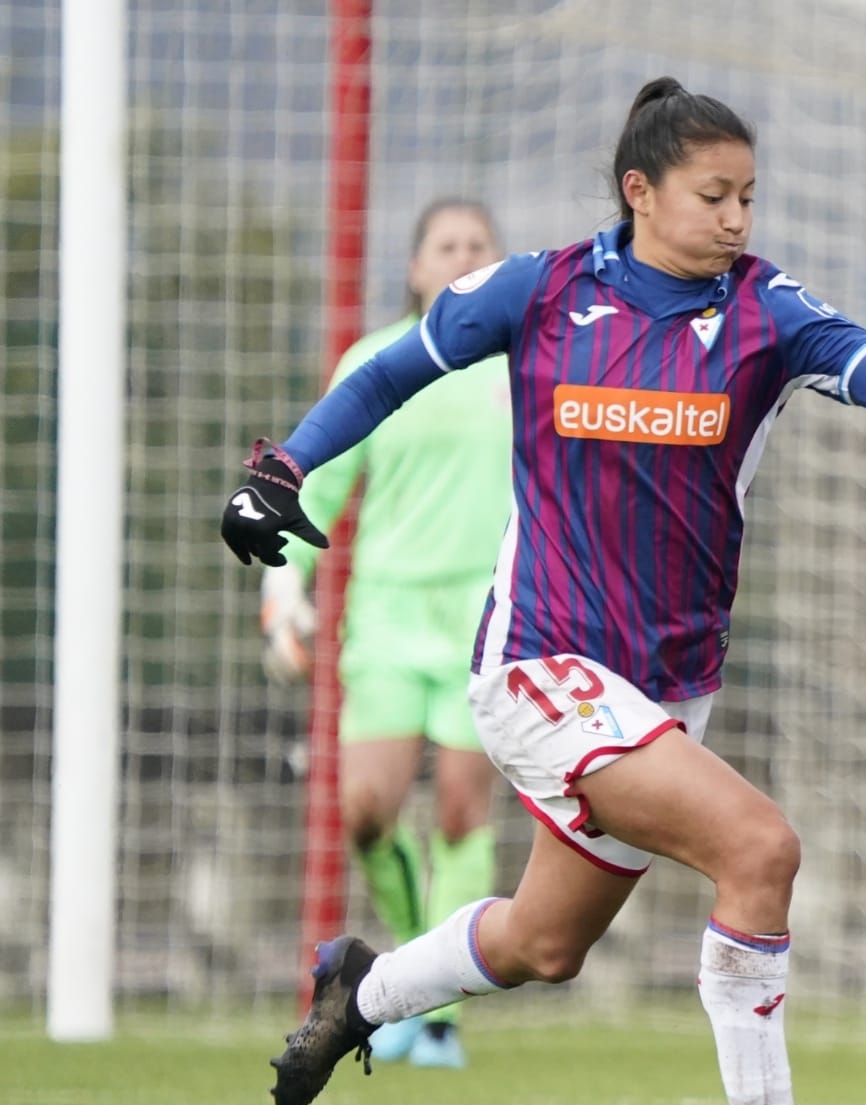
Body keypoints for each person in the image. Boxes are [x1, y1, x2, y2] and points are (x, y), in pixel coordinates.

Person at [220, 77, 866, 1105]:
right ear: (640, 190)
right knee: (761, 849)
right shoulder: (537, 290)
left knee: (542, 942)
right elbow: (388, 372)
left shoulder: (768, 312)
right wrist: (284, 469)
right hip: (539, 662)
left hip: (665, 687)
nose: (736, 218)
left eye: (748, 196)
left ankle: (361, 991)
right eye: (713, 194)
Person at [259, 198, 512, 1071]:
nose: (464, 254)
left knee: (459, 810)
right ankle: (410, 968)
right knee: (366, 808)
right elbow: (313, 493)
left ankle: (437, 1013)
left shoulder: (529, 364)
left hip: (492, 622)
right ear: (415, 268)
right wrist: (283, 590)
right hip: (389, 620)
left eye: (480, 244)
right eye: (446, 244)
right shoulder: (373, 361)